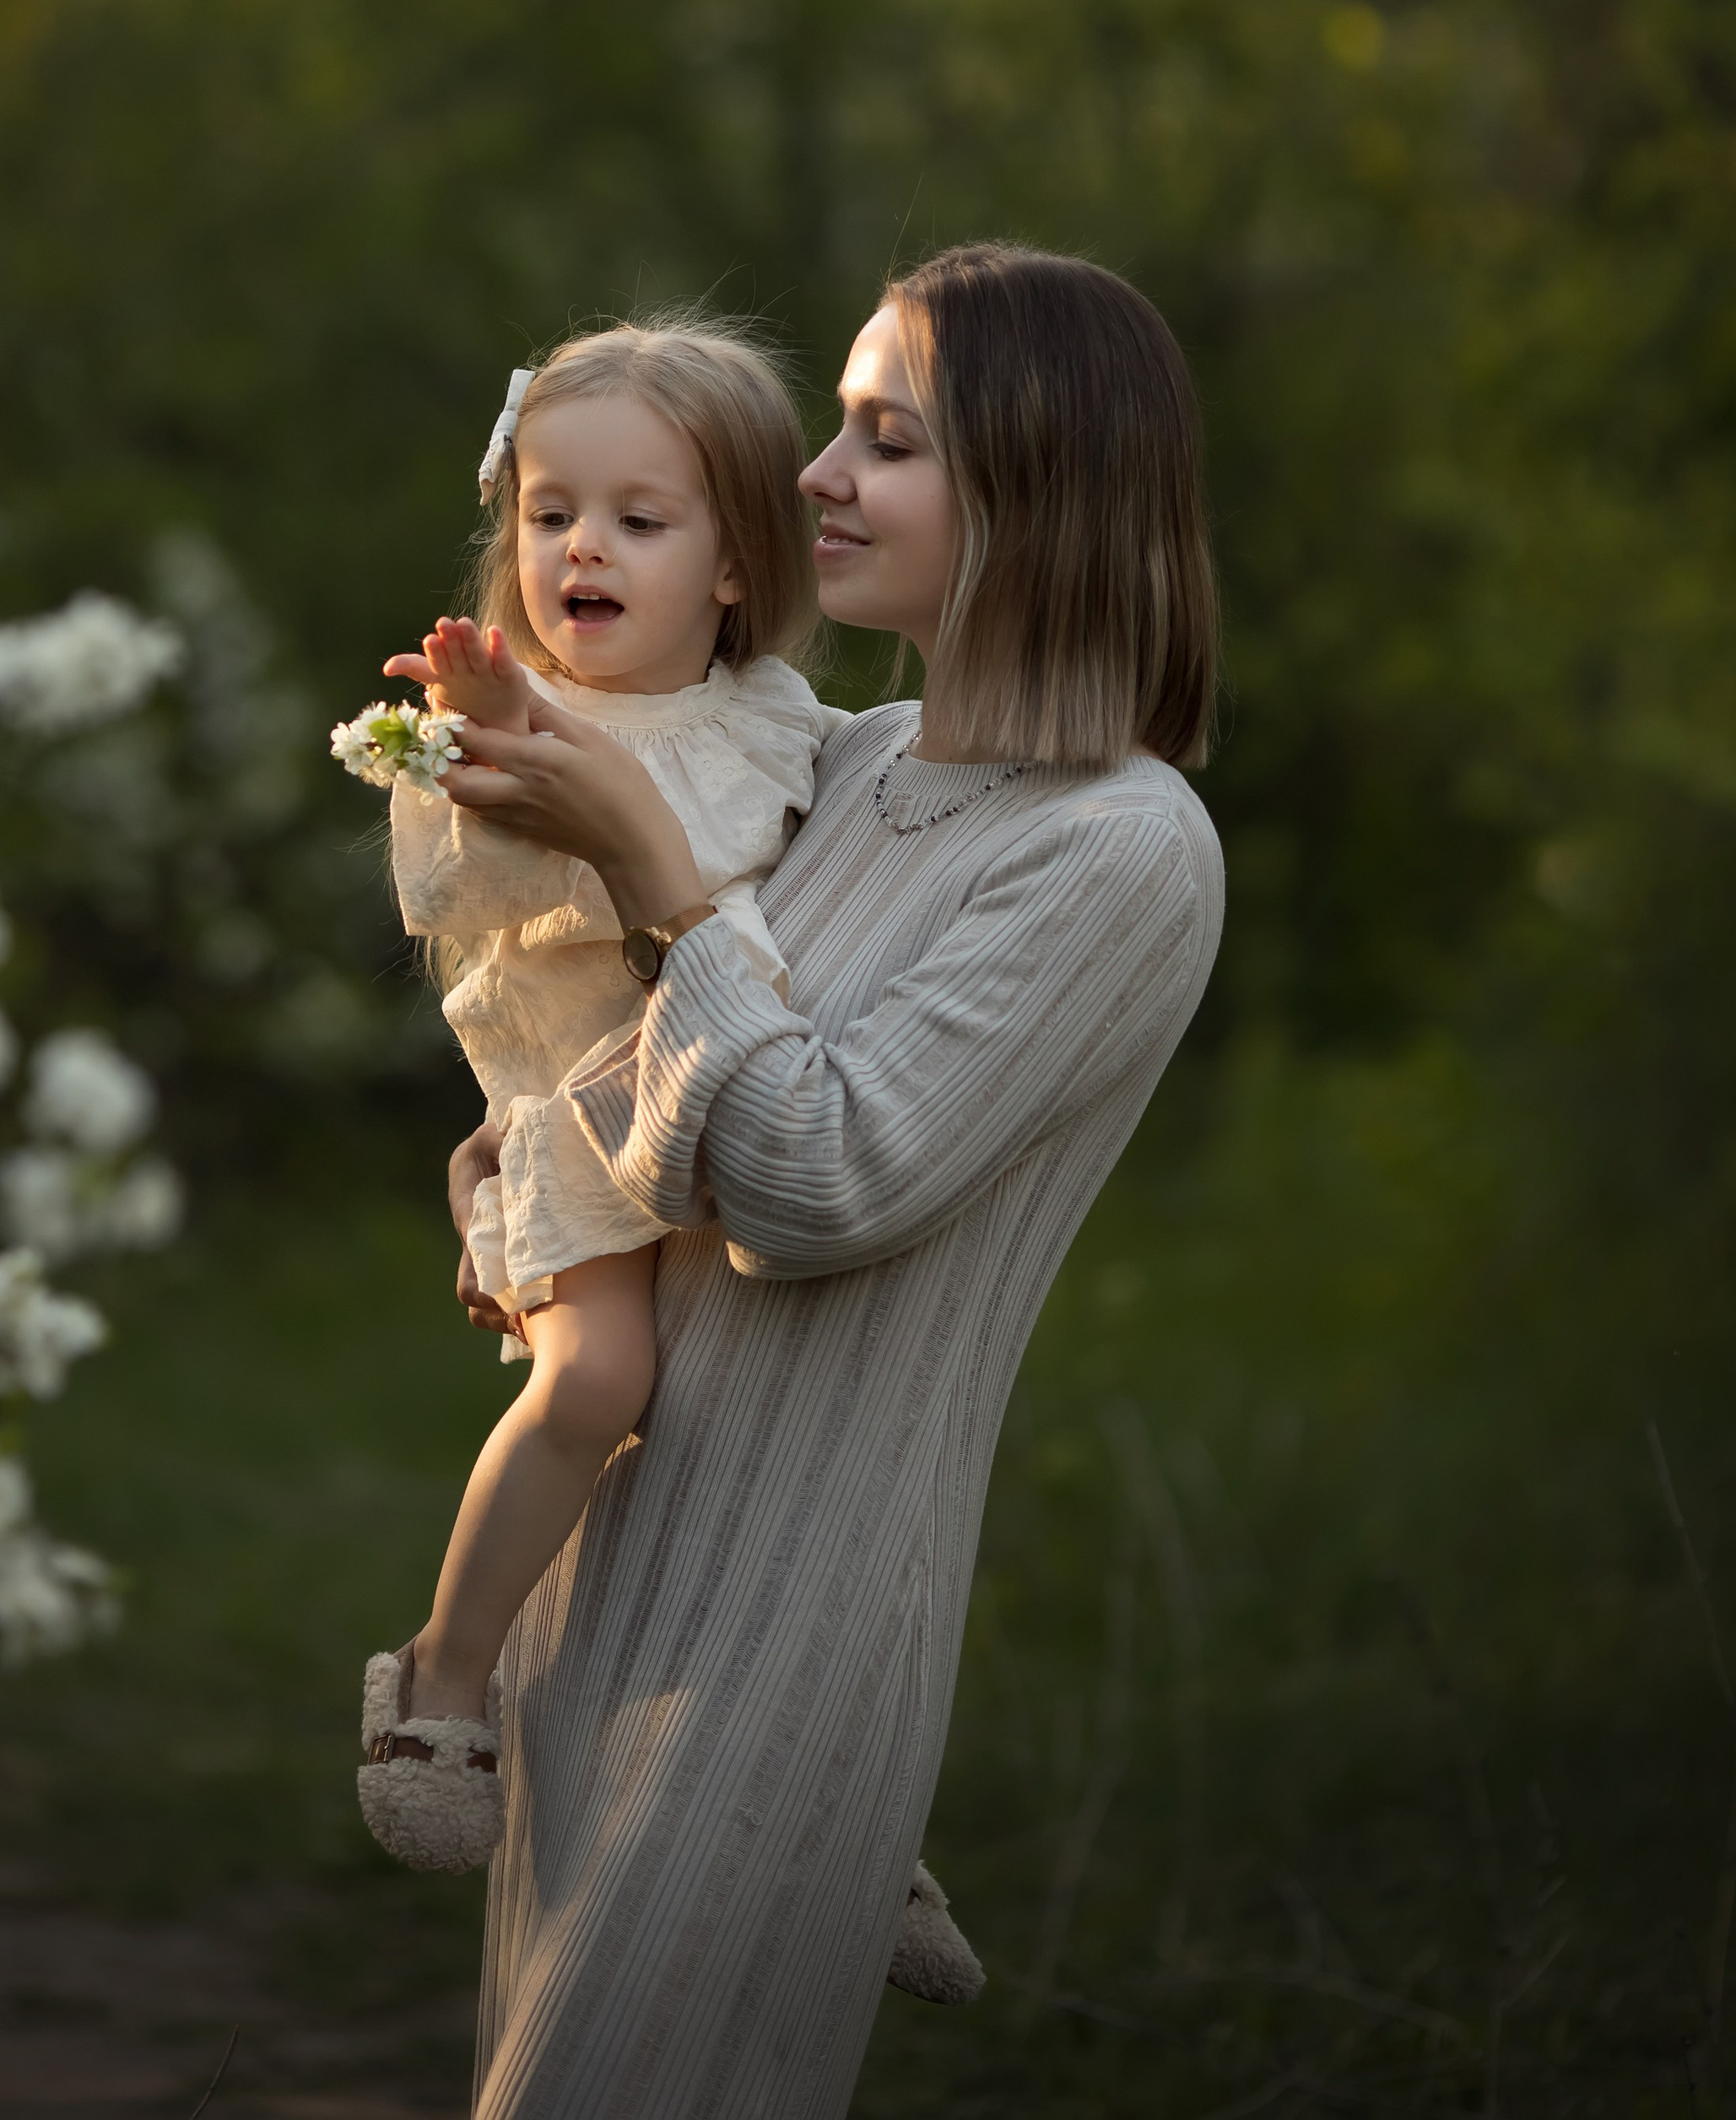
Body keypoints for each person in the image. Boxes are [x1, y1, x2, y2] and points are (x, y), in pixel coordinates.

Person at [420, 241, 1226, 2120]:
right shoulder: (837, 768)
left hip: (787, 1625)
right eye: (840, 427)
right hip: (597, 1582)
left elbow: (808, 1183)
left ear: (1039, 487)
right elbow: (632, 1086)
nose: (814, 475)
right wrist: (505, 1182)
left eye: (889, 439)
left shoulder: (1121, 850)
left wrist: (654, 870)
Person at [354, 321, 835, 1873]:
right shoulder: (509, 727)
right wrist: (489, 743)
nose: (582, 548)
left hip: (740, 1105)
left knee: (779, 1454)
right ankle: (443, 1678)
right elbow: (452, 895)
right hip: (584, 1124)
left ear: (737, 563)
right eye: (552, 511)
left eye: (639, 518)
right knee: (594, 1386)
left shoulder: (778, 717)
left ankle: (839, 1800)